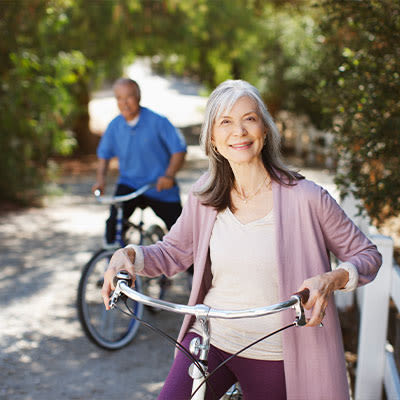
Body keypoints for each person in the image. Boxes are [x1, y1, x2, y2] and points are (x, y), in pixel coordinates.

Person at [101, 79, 382, 399]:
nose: (239, 131)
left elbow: (367, 254)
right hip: (209, 339)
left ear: (265, 130)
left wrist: (331, 278)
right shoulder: (204, 195)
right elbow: (173, 252)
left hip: (275, 350)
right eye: (226, 121)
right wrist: (129, 255)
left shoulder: (307, 197)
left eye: (249, 118)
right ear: (212, 138)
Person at [92, 78, 187, 246]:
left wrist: (169, 175)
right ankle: (114, 265)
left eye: (129, 97)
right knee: (113, 226)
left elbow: (178, 150)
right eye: (119, 98)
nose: (124, 103)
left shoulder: (158, 122)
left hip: (158, 186)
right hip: (130, 184)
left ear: (138, 97)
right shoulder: (115, 126)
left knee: (183, 236)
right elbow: (104, 155)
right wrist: (100, 180)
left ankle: (195, 271)